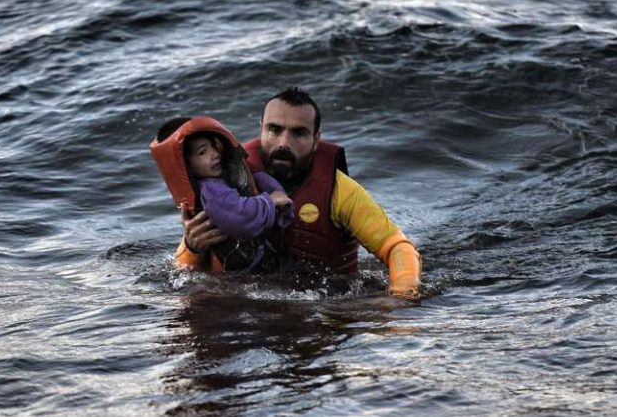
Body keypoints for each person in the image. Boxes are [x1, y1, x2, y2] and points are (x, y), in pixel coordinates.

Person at [176, 88, 423, 300]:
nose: (284, 142)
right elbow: (183, 267)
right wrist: (192, 247)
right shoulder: (226, 182)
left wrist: (401, 299)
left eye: (299, 133)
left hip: (324, 308)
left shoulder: (340, 191)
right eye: (274, 129)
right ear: (260, 129)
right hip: (244, 309)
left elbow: (398, 247)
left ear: (316, 139)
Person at [151, 116, 294, 271]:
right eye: (202, 152)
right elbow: (239, 217)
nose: (214, 154)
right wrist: (270, 201)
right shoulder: (211, 191)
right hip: (240, 275)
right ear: (186, 166)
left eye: (214, 146)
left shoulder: (234, 172)